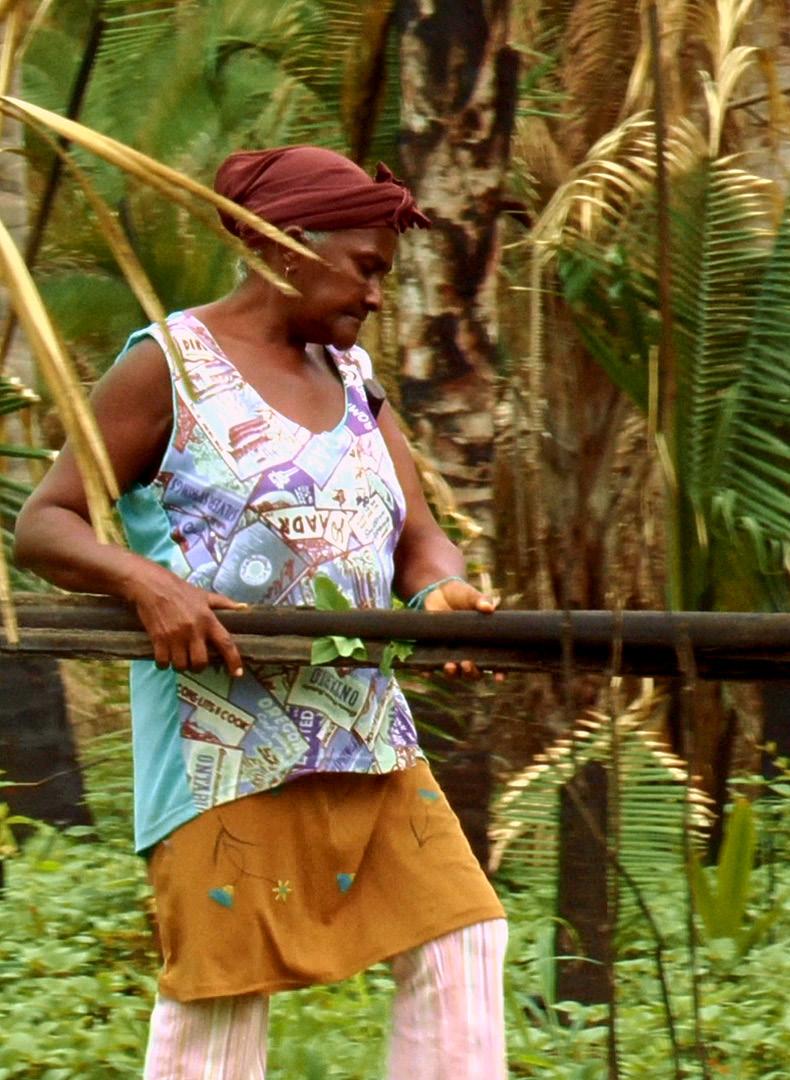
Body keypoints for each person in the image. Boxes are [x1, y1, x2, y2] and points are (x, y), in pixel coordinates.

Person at [14, 145, 507, 1080]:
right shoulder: (169, 365)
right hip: (224, 753)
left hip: (370, 740)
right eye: (364, 268)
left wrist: (441, 590)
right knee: (221, 1005)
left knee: (462, 944)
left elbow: (418, 539)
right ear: (283, 244)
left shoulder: (355, 383)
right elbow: (45, 524)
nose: (374, 295)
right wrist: (145, 582)